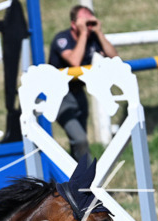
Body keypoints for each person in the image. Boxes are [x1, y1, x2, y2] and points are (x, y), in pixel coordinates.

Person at [48, 5, 118, 161]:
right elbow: (75, 61)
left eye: (90, 21)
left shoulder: (92, 38)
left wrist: (99, 33)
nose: (88, 25)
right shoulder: (62, 39)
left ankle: (75, 173)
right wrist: (84, 34)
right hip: (58, 96)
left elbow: (115, 58)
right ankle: (85, 173)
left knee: (79, 144)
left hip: (78, 93)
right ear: (74, 24)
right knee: (80, 139)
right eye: (84, 22)